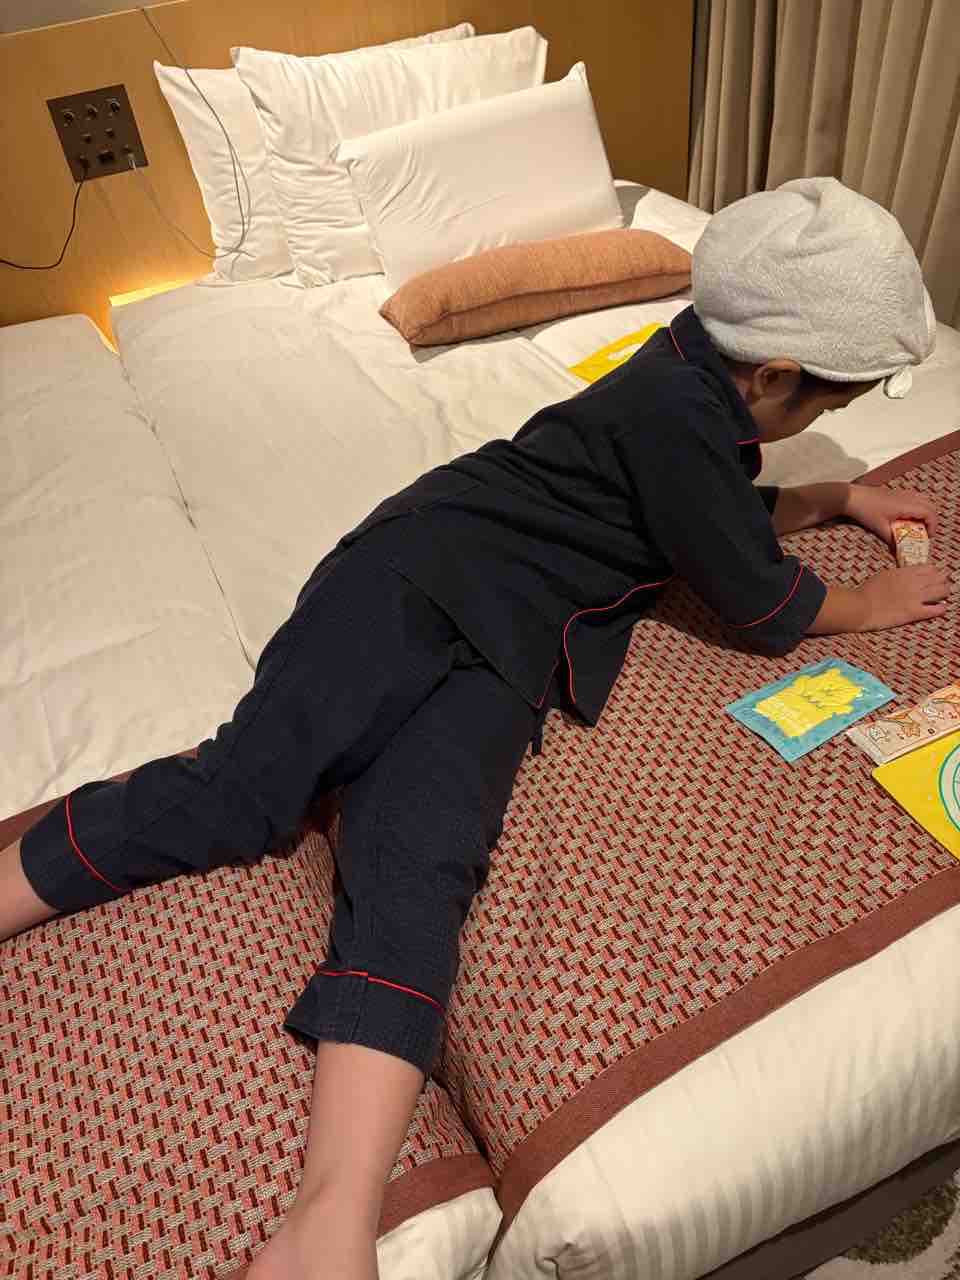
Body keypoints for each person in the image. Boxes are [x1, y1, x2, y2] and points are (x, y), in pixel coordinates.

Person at [0, 177, 949, 1280]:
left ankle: (332, 1213)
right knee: (244, 792)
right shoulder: (674, 408)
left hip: (508, 646)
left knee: (425, 866)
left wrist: (837, 498)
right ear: (772, 375)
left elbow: (712, 507)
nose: (820, 431)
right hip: (410, 578)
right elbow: (755, 596)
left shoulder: (697, 383)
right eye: (822, 409)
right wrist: (861, 603)